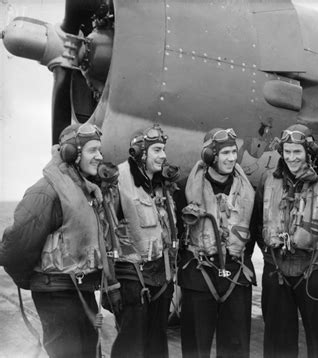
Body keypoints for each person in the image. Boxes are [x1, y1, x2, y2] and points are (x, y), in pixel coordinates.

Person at [251, 124, 318, 358]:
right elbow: (257, 223)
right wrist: (269, 250)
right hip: (275, 271)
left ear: (308, 151)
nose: (291, 157)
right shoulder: (268, 180)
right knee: (277, 342)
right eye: (287, 151)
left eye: (297, 152)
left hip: (313, 270)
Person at [0, 123, 108, 358]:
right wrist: (39, 282)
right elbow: (13, 251)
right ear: (71, 153)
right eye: (93, 150)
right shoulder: (45, 193)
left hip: (82, 291)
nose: (100, 157)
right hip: (57, 296)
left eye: (100, 150)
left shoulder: (84, 190)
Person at [178, 128, 255, 358]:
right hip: (199, 276)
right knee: (195, 349)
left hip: (235, 275)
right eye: (225, 153)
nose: (232, 158)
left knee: (236, 348)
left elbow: (255, 229)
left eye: (234, 152)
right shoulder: (185, 188)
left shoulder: (248, 191)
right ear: (210, 155)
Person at [107, 124, 180, 358]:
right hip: (132, 277)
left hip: (160, 276)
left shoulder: (161, 184)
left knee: (157, 346)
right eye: (157, 150)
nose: (164, 155)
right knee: (131, 346)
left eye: (163, 149)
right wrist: (111, 285)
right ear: (141, 153)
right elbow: (104, 232)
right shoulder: (120, 181)